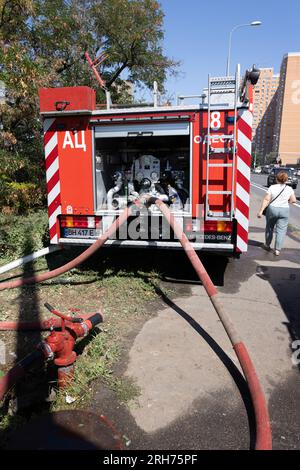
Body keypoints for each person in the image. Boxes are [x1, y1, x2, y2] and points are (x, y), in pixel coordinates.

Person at [257, 170, 297, 256]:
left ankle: (267, 245)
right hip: (284, 210)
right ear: (286, 180)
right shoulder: (289, 189)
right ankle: (277, 250)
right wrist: (287, 200)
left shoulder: (272, 187)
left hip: (272, 209)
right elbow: (293, 200)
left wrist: (261, 211)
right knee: (281, 230)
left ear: (277, 179)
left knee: (270, 227)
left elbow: (267, 199)